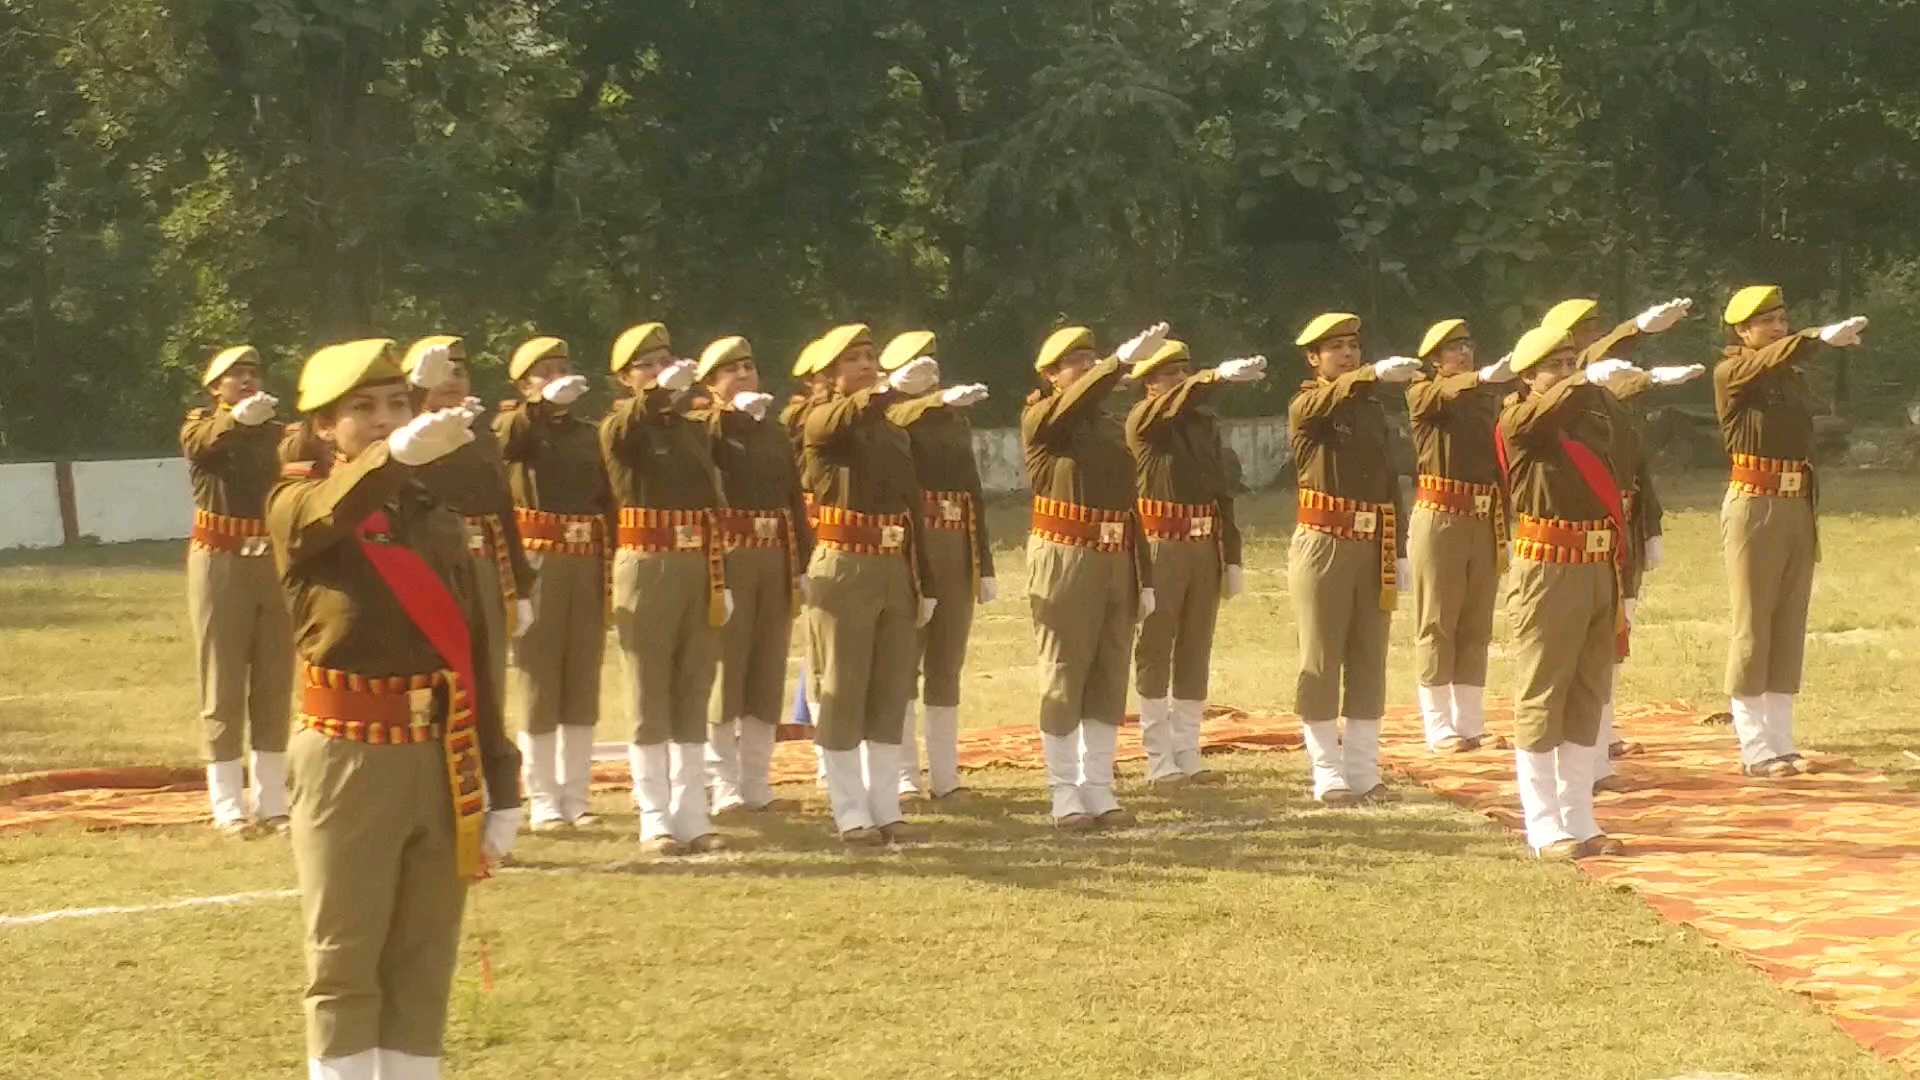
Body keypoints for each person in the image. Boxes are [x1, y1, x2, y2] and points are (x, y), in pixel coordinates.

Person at [268, 337, 521, 1080]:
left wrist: (501, 778)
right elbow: (336, 506)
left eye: (397, 405)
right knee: (345, 959)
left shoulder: (430, 509)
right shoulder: (296, 502)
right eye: (363, 409)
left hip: (440, 751)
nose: (383, 420)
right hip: (350, 753)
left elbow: (474, 649)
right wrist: (397, 455)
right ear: (322, 426)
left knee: (423, 958)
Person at [1536, 296, 1699, 788]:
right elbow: (1591, 368)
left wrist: (1650, 525)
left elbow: (1637, 468)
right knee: (1578, 647)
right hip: (1576, 537)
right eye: (1581, 332)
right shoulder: (1564, 403)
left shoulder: (1610, 400)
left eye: (1595, 328)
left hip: (1618, 527)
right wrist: (1636, 332)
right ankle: (1579, 755)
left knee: (1612, 639)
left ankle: (1599, 741)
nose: (1592, 338)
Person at [1496, 326, 1639, 859]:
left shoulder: (1591, 413)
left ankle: (1580, 817)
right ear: (1528, 376)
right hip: (1548, 570)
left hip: (1597, 565)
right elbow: (1543, 414)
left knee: (1588, 691)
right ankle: (1543, 824)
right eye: (1552, 366)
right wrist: (1581, 383)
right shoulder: (1520, 418)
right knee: (1542, 692)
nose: (1565, 372)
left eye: (1568, 362)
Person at [1714, 285, 1868, 777]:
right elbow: (1766, 362)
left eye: (1782, 319)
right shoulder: (1733, 371)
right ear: (1743, 331)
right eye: (1768, 322)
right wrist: (1816, 335)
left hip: (1796, 500)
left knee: (1787, 624)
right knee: (1753, 624)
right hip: (1755, 503)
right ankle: (1755, 745)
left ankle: (1781, 740)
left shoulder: (1789, 375)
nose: (1778, 328)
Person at [801, 324, 940, 844]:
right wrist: (886, 391)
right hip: (844, 565)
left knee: (890, 689)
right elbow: (840, 418)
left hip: (892, 566)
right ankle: (848, 807)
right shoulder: (823, 421)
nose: (864, 365)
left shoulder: (893, 432)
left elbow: (913, 511)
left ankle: (885, 805)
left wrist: (923, 580)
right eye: (852, 360)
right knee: (842, 686)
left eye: (869, 356)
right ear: (830, 375)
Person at [1022, 323, 1163, 830]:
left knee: (1108, 674)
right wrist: (1117, 366)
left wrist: (1143, 574)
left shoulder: (1108, 425)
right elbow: (1071, 406)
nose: (1085, 366)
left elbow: (1130, 507)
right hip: (1066, 554)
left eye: (1091, 358)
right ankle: (1064, 790)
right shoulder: (1044, 419)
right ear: (1050, 375)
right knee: (1065, 672)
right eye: (1074, 362)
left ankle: (1098, 786)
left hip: (1115, 554)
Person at [601, 322, 728, 855]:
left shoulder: (690, 429)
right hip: (647, 562)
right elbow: (624, 430)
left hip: (696, 561)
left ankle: (691, 812)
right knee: (650, 692)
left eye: (664, 362)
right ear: (625, 380)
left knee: (693, 687)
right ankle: (654, 814)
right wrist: (652, 396)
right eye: (645, 366)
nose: (658, 373)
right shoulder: (621, 426)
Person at [1124, 339, 1266, 786]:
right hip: (1160, 542)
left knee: (1195, 648)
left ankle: (1186, 750)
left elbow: (1220, 488)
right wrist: (1215, 378)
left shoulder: (1203, 424)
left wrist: (1233, 555)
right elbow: (1172, 407)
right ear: (1148, 382)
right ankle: (1157, 755)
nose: (1178, 380)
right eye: (1168, 373)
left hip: (1204, 543)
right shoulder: (1144, 419)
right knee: (1155, 646)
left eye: (1183, 371)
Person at [1287, 313, 1414, 806]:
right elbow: (1321, 404)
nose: (1347, 354)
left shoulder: (1371, 410)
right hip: (1326, 540)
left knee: (1369, 658)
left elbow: (1389, 483)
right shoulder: (1308, 404)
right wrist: (1371, 375)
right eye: (1335, 347)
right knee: (1321, 657)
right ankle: (1326, 771)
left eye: (1353, 346)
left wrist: (1399, 546)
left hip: (1373, 540)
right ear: (1313, 358)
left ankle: (1363, 769)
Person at [495, 336, 613, 830]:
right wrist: (537, 407)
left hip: (586, 559)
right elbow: (503, 441)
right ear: (524, 385)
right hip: (540, 558)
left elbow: (608, 497)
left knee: (582, 677)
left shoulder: (589, 434)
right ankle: (543, 794)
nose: (558, 377)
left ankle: (577, 794)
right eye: (544, 372)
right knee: (540, 678)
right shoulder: (520, 428)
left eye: (563, 368)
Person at [180, 344, 296, 835]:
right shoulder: (201, 425)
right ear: (215, 388)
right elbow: (202, 446)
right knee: (223, 680)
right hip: (220, 561)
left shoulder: (276, 433)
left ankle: (273, 800)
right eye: (235, 375)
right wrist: (235, 421)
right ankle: (228, 802)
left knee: (274, 679)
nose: (247, 380)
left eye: (253, 373)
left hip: (272, 561)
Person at [877, 329, 995, 801]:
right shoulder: (891, 415)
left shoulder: (952, 421)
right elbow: (896, 413)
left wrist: (983, 562)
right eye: (918, 365)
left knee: (946, 662)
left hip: (955, 543)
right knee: (903, 661)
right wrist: (930, 397)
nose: (930, 370)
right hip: (914, 545)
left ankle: (946, 776)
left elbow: (973, 494)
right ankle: (905, 772)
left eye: (933, 362)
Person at [699, 335, 811, 814]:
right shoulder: (708, 429)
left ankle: (755, 781)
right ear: (711, 384)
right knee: (728, 670)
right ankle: (722, 783)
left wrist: (803, 561)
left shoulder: (771, 430)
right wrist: (724, 416)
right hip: (733, 553)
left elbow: (793, 499)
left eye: (749, 366)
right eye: (731, 370)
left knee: (767, 669)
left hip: (775, 554)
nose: (744, 375)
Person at [399, 336, 536, 721]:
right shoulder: (405, 436)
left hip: (482, 566)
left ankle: (488, 776)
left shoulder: (480, 436)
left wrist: (520, 586)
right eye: (441, 372)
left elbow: (503, 511)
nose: (452, 379)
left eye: (460, 371)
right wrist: (414, 401)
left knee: (489, 682)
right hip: (430, 568)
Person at [1405, 320, 1516, 754]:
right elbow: (1444, 393)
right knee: (1437, 620)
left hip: (1484, 516)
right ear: (1435, 360)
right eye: (1453, 350)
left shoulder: (1487, 400)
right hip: (1441, 516)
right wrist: (1483, 377)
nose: (1464, 354)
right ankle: (1437, 724)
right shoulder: (1424, 393)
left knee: (1476, 622)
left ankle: (1469, 722)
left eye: (1468, 346)